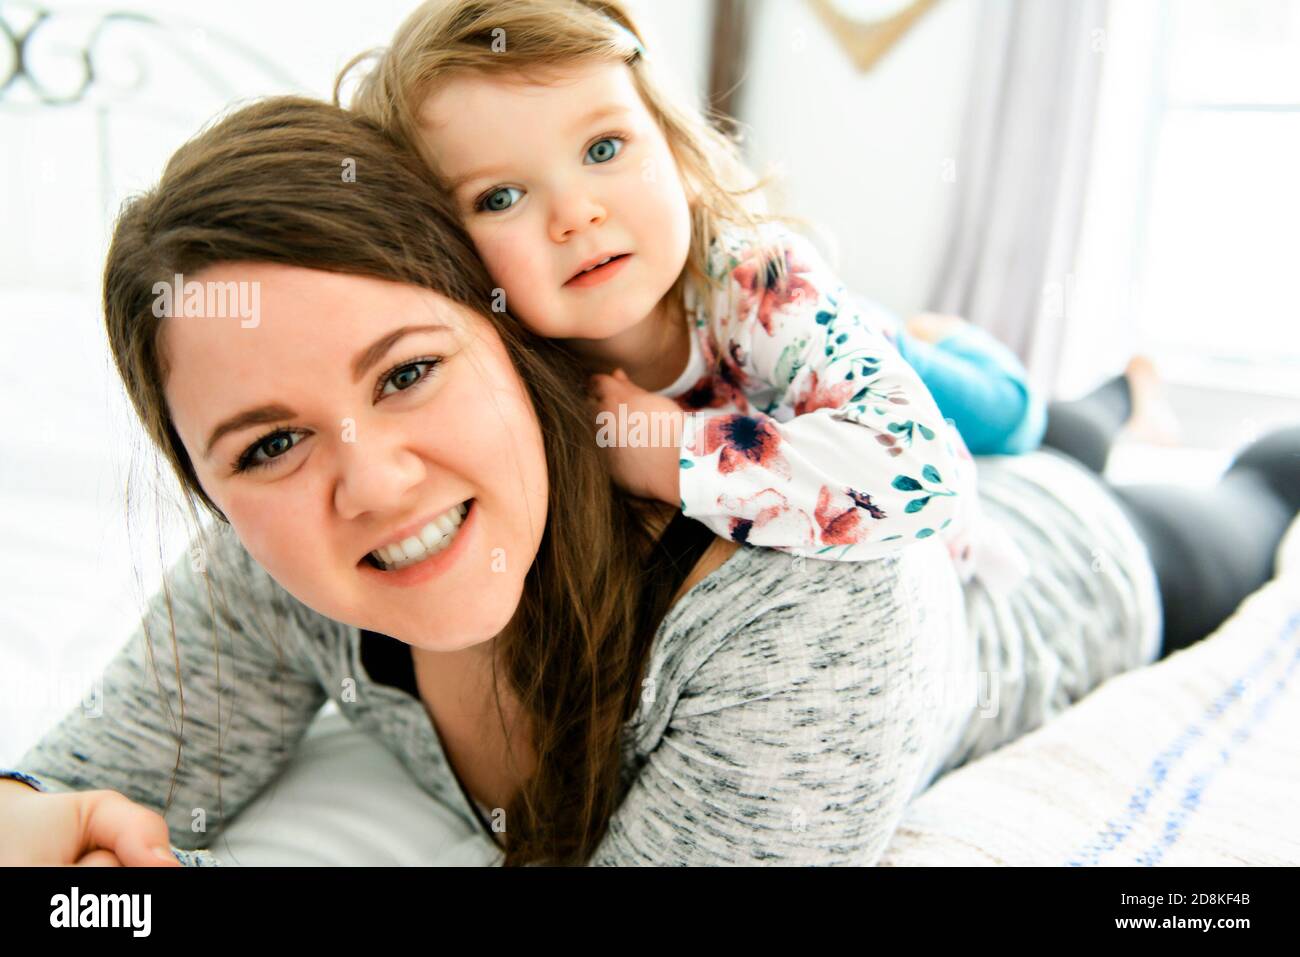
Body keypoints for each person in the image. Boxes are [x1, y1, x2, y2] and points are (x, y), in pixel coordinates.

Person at [0, 98, 979, 867]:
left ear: (515, 338)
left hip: (1066, 552)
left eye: (408, 373)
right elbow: (64, 795)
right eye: (269, 446)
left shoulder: (799, 608)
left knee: (1039, 427)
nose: (375, 486)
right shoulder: (269, 568)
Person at [337, 0, 1044, 592]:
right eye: (501, 196)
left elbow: (920, 472)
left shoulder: (761, 281)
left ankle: (940, 335)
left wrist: (674, 450)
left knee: (1016, 418)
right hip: (800, 360)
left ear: (672, 148)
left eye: (605, 149)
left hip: (828, 332)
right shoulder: (500, 371)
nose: (576, 214)